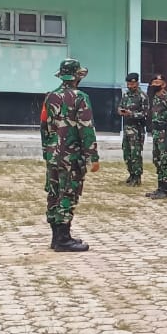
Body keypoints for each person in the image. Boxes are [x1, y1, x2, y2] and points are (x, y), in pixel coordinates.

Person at [40, 58, 99, 252]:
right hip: (71, 155)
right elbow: (86, 128)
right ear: (76, 77)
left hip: (53, 154)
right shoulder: (80, 97)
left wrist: (46, 151)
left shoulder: (50, 97)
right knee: (68, 193)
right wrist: (93, 156)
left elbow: (44, 127)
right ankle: (64, 240)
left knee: (54, 192)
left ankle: (56, 237)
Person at [145, 74, 167, 200]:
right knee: (158, 160)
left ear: (164, 84)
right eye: (153, 82)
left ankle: (166, 190)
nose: (155, 84)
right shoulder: (155, 98)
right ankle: (160, 188)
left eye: (158, 82)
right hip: (156, 133)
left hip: (165, 133)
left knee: (165, 161)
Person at [117, 72, 149, 186]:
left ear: (137, 83)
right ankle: (131, 174)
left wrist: (131, 114)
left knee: (135, 154)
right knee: (127, 153)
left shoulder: (142, 96)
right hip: (127, 128)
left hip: (137, 129)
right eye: (128, 83)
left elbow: (145, 114)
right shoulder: (126, 95)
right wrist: (120, 111)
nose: (130, 86)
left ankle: (137, 177)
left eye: (132, 83)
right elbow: (120, 106)